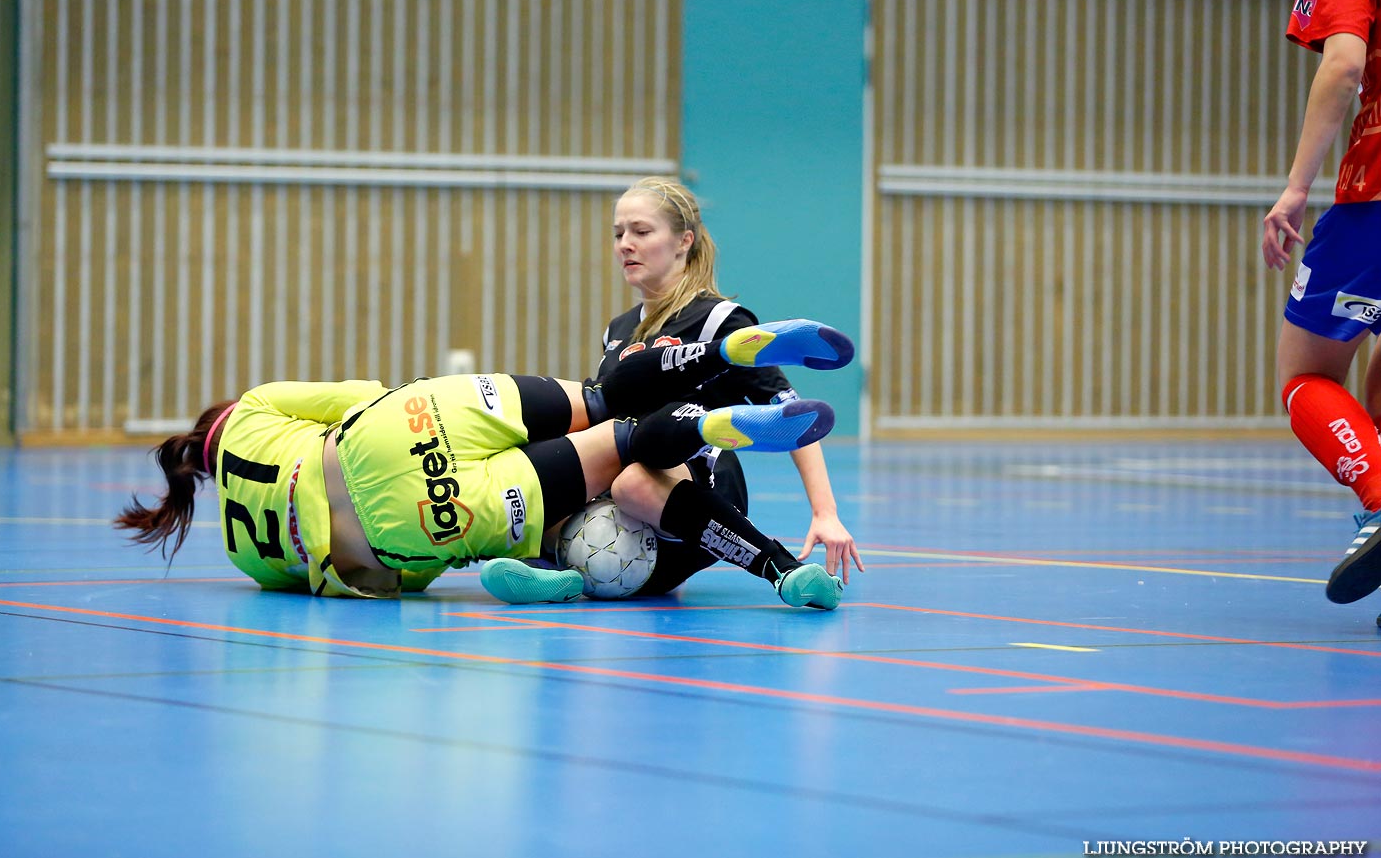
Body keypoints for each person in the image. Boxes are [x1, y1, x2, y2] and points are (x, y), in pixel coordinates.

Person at [114, 318, 854, 609]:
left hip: (408, 526)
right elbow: (360, 396)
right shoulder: (254, 408)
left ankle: (778, 557)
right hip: (391, 432)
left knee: (611, 461)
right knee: (607, 413)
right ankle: (721, 375)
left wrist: (443, 551)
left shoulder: (245, 554)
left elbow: (365, 580)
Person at [478, 176, 865, 603]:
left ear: (684, 241)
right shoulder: (618, 330)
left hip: (699, 476)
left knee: (633, 482)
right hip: (629, 494)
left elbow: (791, 415)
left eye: (641, 232)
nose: (625, 243)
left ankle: (783, 570)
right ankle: (558, 573)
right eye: (618, 233)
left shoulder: (719, 319)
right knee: (542, 473)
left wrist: (825, 512)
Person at [1264, 0, 1381, 606]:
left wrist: (1297, 188)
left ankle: (1379, 496)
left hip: (1376, 194)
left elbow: (1344, 63)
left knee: (1306, 373)